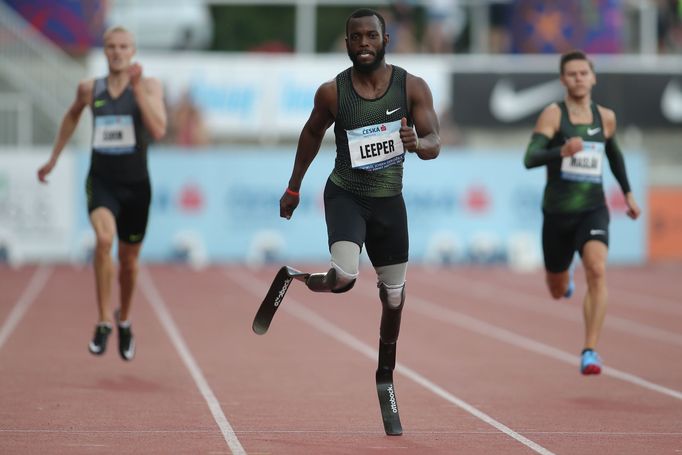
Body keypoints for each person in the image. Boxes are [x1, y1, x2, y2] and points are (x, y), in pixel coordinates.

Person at [279, 8, 440, 431]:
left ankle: (385, 372)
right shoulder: (333, 93)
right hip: (347, 195)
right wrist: (294, 187)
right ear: (347, 43)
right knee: (345, 278)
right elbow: (311, 134)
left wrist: (418, 143)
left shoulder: (413, 87)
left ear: (386, 40)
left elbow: (435, 142)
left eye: (372, 36)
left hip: (390, 203)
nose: (364, 43)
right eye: (356, 37)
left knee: (394, 298)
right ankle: (302, 277)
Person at [37, 26, 167, 361]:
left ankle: (124, 319)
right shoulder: (89, 88)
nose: (117, 52)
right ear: (105, 50)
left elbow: (159, 129)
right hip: (102, 181)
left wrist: (137, 91)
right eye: (111, 46)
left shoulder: (149, 85)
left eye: (124, 46)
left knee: (129, 262)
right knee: (104, 241)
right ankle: (103, 320)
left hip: (137, 187)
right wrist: (53, 158)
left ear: (133, 50)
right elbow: (70, 117)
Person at [523, 50, 640, 375]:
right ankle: (564, 279)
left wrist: (628, 193)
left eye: (583, 73)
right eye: (571, 74)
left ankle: (590, 350)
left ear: (593, 77)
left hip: (593, 209)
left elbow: (613, 155)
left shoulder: (606, 117)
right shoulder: (553, 115)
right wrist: (561, 150)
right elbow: (530, 158)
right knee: (557, 289)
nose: (578, 78)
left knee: (598, 270)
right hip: (558, 214)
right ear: (563, 79)